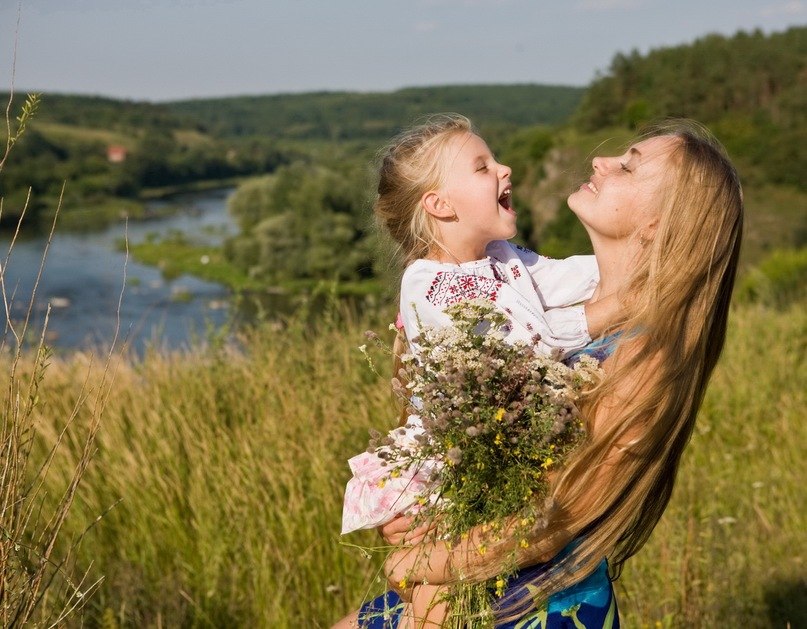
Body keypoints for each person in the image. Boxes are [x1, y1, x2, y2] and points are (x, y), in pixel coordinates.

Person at [344, 118, 743, 627]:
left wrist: (414, 564)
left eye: (628, 166)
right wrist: (412, 517)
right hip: (470, 580)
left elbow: (554, 521)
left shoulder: (644, 354)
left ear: (658, 223)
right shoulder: (527, 289)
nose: (600, 161)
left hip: (531, 606)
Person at [338, 114, 621, 627]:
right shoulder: (431, 284)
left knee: (464, 597)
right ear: (440, 206)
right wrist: (611, 310)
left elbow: (566, 277)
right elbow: (523, 353)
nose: (504, 169)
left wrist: (642, 261)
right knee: (434, 601)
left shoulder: (503, 258)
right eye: (482, 166)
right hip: (443, 472)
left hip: (488, 459)